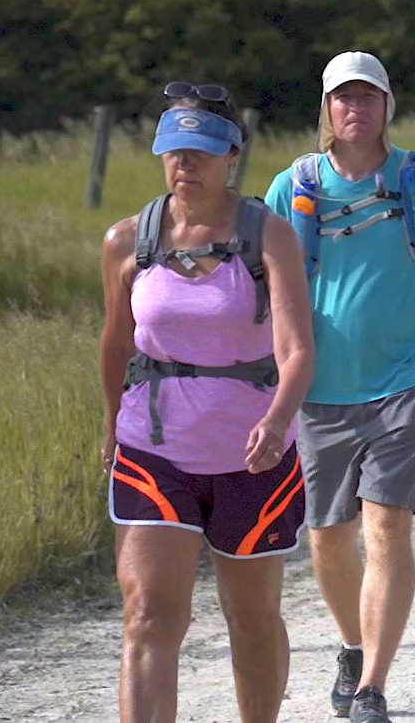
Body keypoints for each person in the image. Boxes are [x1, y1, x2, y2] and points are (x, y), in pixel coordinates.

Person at [263, 52, 415, 723]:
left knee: (387, 526)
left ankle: (371, 685)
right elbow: (266, 290)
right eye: (343, 98)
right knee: (328, 538)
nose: (355, 110)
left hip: (404, 384)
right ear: (326, 108)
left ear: (387, 106)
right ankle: (352, 642)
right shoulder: (293, 187)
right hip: (318, 390)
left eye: (368, 98)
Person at [100, 85, 316, 723]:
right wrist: (110, 427)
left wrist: (277, 422)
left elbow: (298, 349)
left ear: (231, 157)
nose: (184, 164)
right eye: (173, 151)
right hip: (153, 451)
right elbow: (115, 343)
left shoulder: (268, 235)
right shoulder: (126, 242)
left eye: (199, 151)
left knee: (250, 618)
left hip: (251, 457)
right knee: (147, 615)